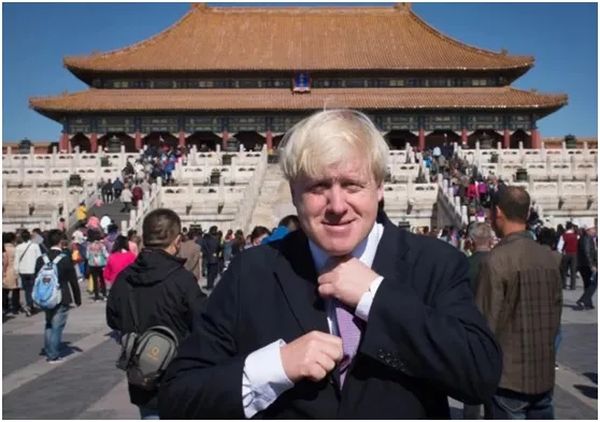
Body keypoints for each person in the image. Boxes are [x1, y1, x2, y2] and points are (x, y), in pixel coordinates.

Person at [158, 109, 501, 418]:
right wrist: (274, 368)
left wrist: (376, 297)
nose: (337, 205)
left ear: (379, 187)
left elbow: (479, 376)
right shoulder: (251, 272)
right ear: (294, 192)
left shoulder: (434, 263)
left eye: (352, 185)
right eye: (319, 186)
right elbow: (178, 396)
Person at [106, 208, 205, 419]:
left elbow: (112, 319)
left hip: (142, 376)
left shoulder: (124, 278)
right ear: (177, 241)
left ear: (144, 238)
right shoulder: (183, 280)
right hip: (178, 377)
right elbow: (203, 325)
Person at [476, 185, 562, 419]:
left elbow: (485, 324)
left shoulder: (496, 260)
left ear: (498, 212)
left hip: (507, 380)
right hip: (543, 376)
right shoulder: (549, 258)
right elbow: (556, 318)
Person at [34, 229, 81, 363]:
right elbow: (73, 280)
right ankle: (53, 354)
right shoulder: (65, 259)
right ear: (61, 242)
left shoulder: (41, 259)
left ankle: (49, 349)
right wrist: (77, 299)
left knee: (49, 323)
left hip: (45, 295)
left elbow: (36, 278)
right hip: (61, 295)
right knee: (57, 326)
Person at [462, 221, 494, 420]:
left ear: (471, 242)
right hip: (497, 330)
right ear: (490, 241)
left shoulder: (464, 265)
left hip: (472, 332)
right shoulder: (501, 262)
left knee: (472, 385)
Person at [14, 229, 43, 316]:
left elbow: (16, 260)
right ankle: (31, 305)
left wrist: (16, 271)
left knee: (27, 289)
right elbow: (39, 258)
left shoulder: (18, 247)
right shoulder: (35, 246)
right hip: (33, 270)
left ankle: (30, 305)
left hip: (23, 271)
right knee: (33, 288)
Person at [576, 225, 597, 310]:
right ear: (588, 230)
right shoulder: (587, 239)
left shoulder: (585, 238)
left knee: (588, 284)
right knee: (594, 283)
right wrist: (591, 265)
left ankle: (588, 303)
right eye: (593, 229)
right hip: (586, 265)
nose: (595, 230)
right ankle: (583, 300)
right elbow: (587, 252)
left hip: (583, 264)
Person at [87, 230, 109, 302]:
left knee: (95, 280)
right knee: (102, 280)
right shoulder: (102, 245)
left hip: (92, 264)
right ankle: (104, 295)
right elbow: (105, 254)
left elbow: (87, 256)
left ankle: (96, 296)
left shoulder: (89, 246)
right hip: (101, 264)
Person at [557, 221, 579, 290]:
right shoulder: (576, 236)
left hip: (566, 253)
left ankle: (564, 284)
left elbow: (559, 247)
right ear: (572, 227)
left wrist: (561, 252)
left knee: (564, 270)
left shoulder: (563, 236)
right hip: (574, 254)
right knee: (573, 270)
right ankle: (573, 286)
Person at [3, 233, 20, 316]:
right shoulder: (15, 249)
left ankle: (5, 307)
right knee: (15, 290)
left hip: (4, 271)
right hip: (13, 270)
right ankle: (15, 308)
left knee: (4, 290)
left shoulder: (3, 248)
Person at [200, 226, 220, 290]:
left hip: (208, 258)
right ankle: (210, 285)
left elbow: (203, 248)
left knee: (209, 272)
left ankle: (209, 285)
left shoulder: (207, 239)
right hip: (214, 257)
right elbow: (219, 248)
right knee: (212, 273)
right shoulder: (216, 239)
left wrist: (206, 254)